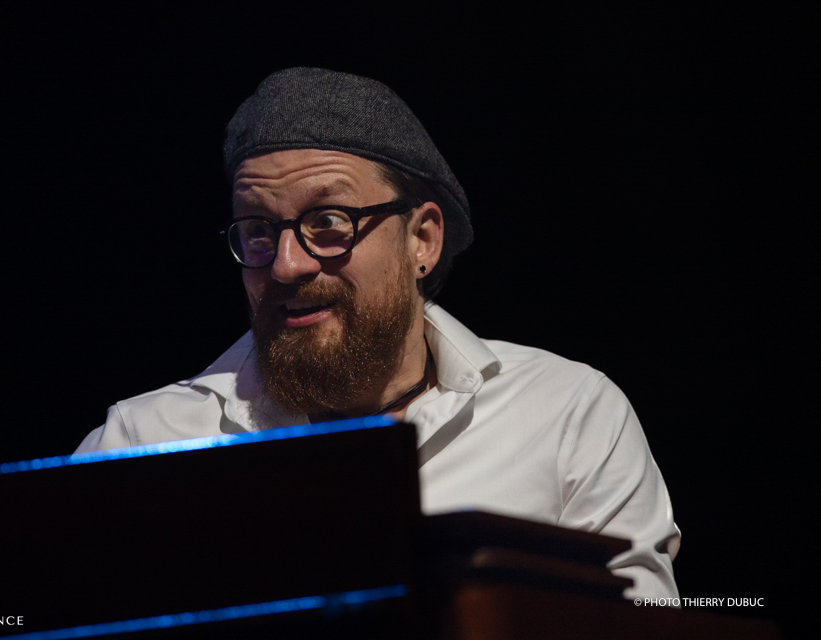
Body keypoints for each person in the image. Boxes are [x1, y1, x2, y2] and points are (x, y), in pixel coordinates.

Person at [75, 67, 680, 599]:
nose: (286, 265)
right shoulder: (147, 441)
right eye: (258, 229)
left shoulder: (565, 412)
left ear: (423, 240)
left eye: (329, 221)